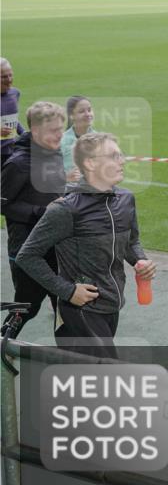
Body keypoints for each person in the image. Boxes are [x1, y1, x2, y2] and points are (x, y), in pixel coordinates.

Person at [15, 132, 155, 358]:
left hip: (111, 304)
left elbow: (132, 242)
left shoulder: (126, 199)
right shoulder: (65, 209)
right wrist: (68, 291)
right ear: (90, 163)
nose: (122, 161)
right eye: (113, 156)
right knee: (107, 376)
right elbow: (27, 255)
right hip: (79, 310)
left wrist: (141, 260)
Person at [0, 102, 67, 338]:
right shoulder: (18, 164)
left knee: (66, 308)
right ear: (36, 131)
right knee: (27, 308)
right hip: (28, 250)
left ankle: (72, 358)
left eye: (61, 129)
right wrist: (41, 212)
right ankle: (3, 344)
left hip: (58, 248)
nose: (60, 135)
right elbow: (3, 204)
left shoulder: (54, 153)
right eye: (53, 131)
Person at [61, 95, 95, 182]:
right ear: (71, 116)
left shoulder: (100, 139)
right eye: (81, 111)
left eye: (89, 110)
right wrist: (66, 178)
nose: (88, 114)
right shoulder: (61, 141)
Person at [1, 58, 25, 167]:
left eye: (11, 75)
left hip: (11, 151)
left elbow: (13, 119)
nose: (9, 79)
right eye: (4, 77)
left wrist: (25, 134)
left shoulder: (15, 94)